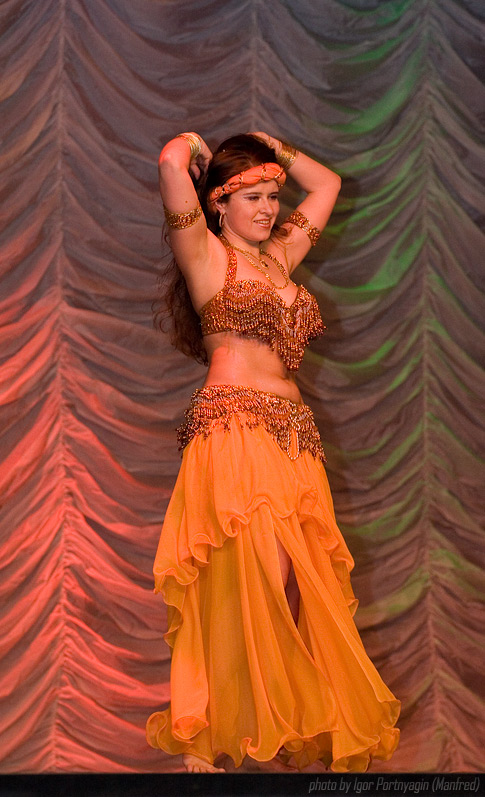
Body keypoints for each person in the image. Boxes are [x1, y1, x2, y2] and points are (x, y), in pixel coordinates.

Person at [146, 131, 400, 773]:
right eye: (252, 197)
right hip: (234, 427)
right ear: (219, 203)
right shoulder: (204, 254)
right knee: (251, 571)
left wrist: (274, 148)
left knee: (294, 586)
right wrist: (194, 147)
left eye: (271, 196)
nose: (267, 208)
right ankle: (205, 730)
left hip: (294, 438)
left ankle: (278, 720)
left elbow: (327, 184)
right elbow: (170, 162)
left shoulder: (281, 258)